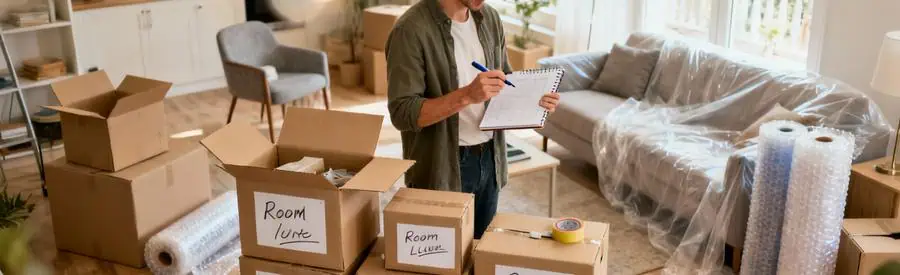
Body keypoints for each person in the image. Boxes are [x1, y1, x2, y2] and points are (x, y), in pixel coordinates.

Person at [386, 0, 560, 238]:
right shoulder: (409, 30)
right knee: (443, 257)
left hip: (490, 157)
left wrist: (534, 102)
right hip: (442, 166)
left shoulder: (489, 18)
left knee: (481, 250)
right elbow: (402, 112)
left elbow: (505, 81)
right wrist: (466, 95)